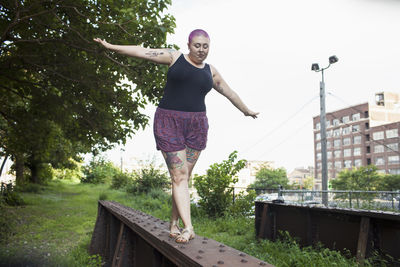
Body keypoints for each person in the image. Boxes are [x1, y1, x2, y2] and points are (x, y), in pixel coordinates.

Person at [93, 29, 259, 243]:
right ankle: (189, 228)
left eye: (205, 46)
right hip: (168, 122)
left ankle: (173, 223)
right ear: (189, 45)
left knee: (181, 178)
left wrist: (246, 110)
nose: (201, 50)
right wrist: (111, 46)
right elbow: (143, 52)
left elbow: (230, 93)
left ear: (210, 47)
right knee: (179, 176)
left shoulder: (211, 71)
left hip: (197, 126)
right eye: (197, 45)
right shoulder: (174, 57)